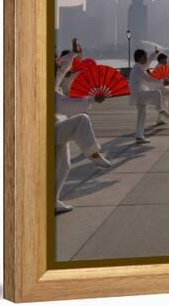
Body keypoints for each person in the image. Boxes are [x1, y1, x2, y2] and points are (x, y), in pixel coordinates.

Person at [54, 49, 112, 214]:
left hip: (59, 126)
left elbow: (61, 70)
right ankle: (93, 153)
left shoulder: (52, 80)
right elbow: (66, 104)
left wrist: (73, 53)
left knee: (64, 166)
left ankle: (53, 201)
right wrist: (92, 99)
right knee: (82, 120)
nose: (59, 67)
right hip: (50, 130)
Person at [129, 48, 169, 143]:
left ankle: (139, 136)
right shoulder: (138, 69)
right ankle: (161, 109)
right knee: (157, 93)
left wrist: (155, 54)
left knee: (142, 116)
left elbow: (147, 63)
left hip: (138, 95)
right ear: (139, 58)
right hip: (139, 95)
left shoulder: (138, 67)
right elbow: (148, 80)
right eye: (144, 56)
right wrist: (162, 83)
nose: (146, 58)